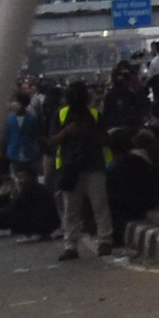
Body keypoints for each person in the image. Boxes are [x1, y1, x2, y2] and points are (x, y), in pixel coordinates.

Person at [55, 78, 110, 260]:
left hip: (93, 165)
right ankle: (71, 246)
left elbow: (105, 140)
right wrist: (67, 132)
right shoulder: (62, 116)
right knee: (71, 210)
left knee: (99, 205)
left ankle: (105, 241)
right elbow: (50, 141)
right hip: (71, 168)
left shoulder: (94, 116)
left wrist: (89, 132)